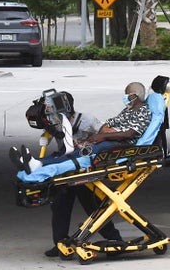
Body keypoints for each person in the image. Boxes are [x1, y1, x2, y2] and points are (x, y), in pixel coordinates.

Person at [42, 92, 122, 258]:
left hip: (86, 169)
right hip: (66, 167)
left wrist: (94, 141)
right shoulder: (55, 122)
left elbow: (107, 133)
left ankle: (115, 240)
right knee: (59, 204)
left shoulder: (87, 120)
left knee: (93, 205)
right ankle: (60, 244)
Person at [10, 82, 152, 172]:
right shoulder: (129, 110)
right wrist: (97, 137)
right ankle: (33, 162)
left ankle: (39, 165)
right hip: (110, 140)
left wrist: (101, 136)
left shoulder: (143, 111)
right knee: (66, 152)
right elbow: (109, 124)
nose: (125, 97)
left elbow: (129, 134)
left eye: (127, 95)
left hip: (121, 145)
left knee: (80, 154)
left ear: (135, 95)